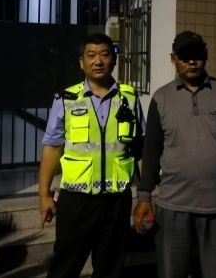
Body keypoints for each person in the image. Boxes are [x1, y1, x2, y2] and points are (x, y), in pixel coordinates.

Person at [133, 30, 216, 278]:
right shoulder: (161, 98)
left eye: (197, 55)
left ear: (205, 56)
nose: (192, 61)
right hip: (173, 207)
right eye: (185, 56)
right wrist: (144, 196)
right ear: (173, 59)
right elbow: (151, 151)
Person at [38, 32, 145, 278]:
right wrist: (43, 195)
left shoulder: (129, 98)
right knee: (64, 268)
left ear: (114, 60)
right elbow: (52, 149)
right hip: (76, 201)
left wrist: (145, 195)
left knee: (111, 270)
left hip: (116, 201)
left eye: (105, 55)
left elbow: (139, 148)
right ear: (81, 62)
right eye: (91, 55)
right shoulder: (66, 99)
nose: (98, 61)